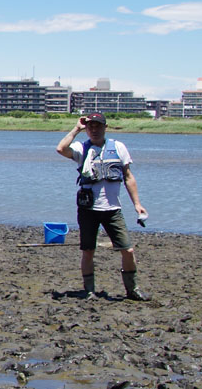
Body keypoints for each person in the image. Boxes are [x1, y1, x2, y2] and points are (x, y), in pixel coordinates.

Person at [56, 113, 148, 300]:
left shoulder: (118, 147)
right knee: (88, 251)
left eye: (98, 126)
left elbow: (129, 177)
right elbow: (60, 148)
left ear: (105, 127)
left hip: (113, 209)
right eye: (91, 127)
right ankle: (89, 290)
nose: (94, 130)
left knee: (128, 250)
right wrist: (76, 129)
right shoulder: (81, 148)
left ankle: (132, 289)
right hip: (88, 210)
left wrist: (137, 204)